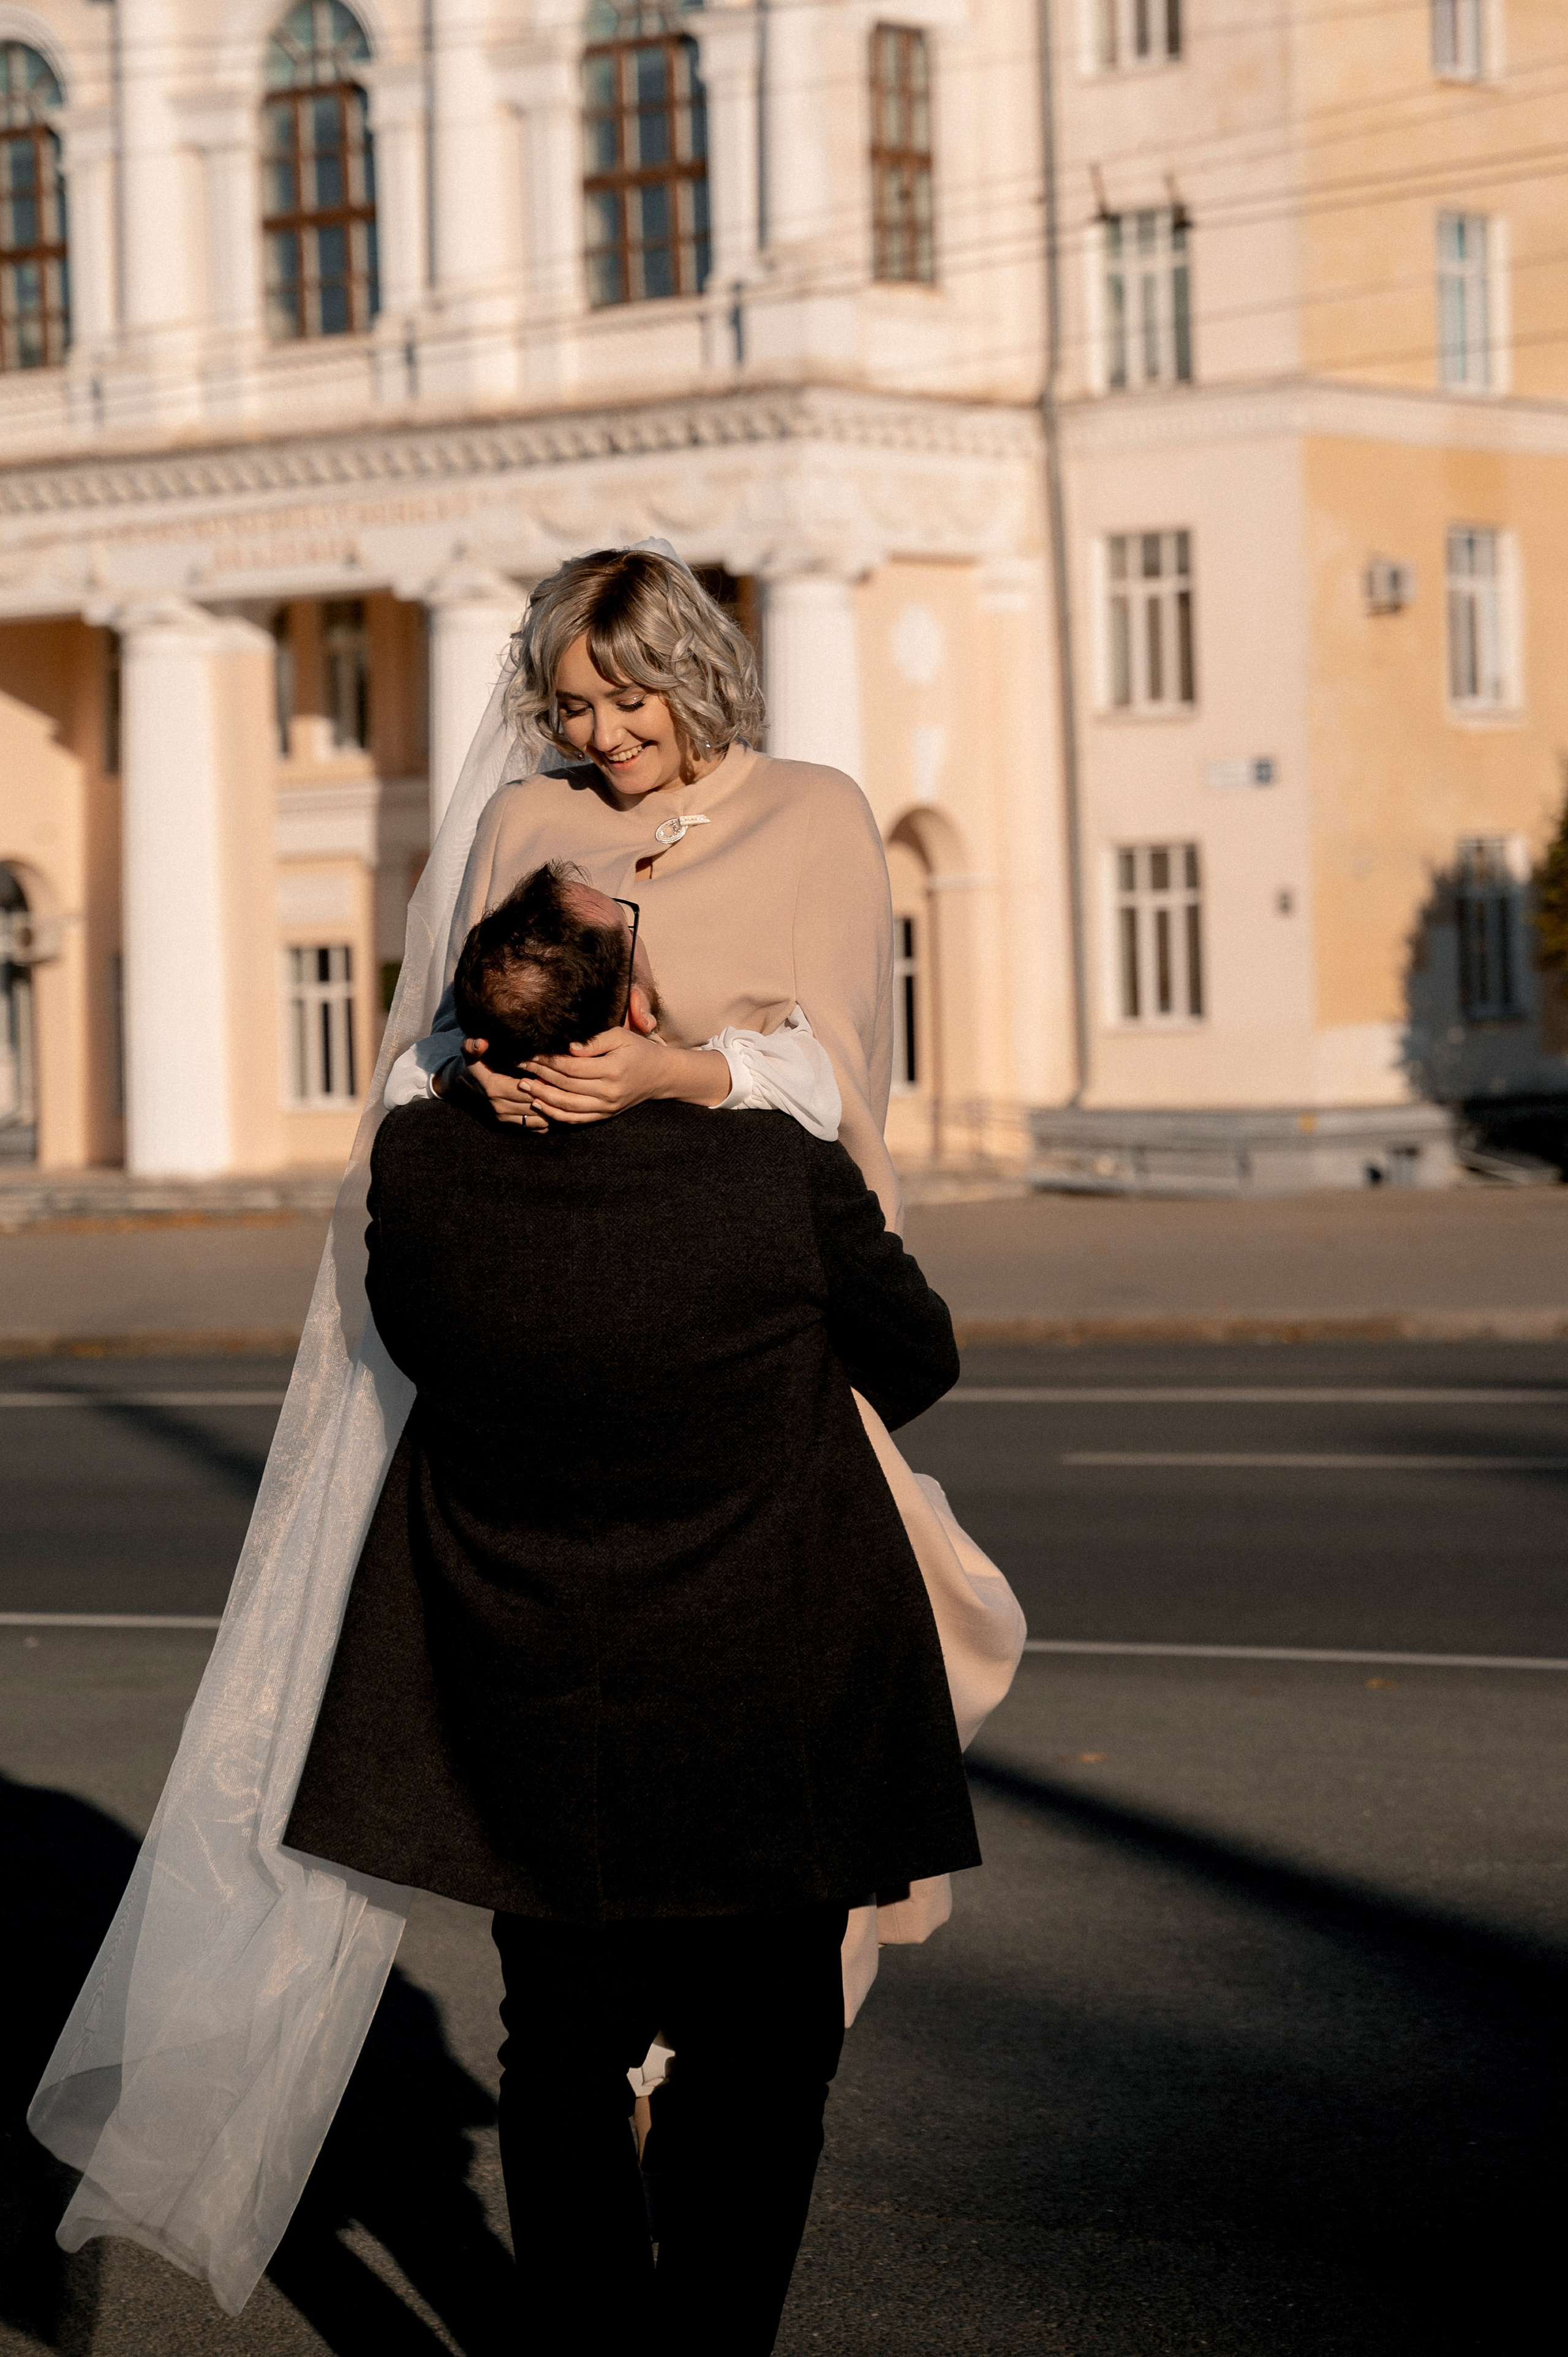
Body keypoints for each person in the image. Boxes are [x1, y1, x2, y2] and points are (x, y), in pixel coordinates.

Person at [29, 541, 1023, 2321]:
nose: (595, 735)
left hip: (737, 1334)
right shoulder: (520, 828)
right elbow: (437, 1044)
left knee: (647, 1965)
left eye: (621, 698)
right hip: (592, 1352)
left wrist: (676, 1074)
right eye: (564, 708)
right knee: (662, 1984)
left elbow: (844, 1075)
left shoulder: (813, 814)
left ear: (693, 670)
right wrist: (495, 1090)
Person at [284, 866, 981, 2350]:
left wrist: (483, 1076)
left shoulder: (417, 1171)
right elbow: (915, 1358)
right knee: (764, 2052)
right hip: (764, 1691)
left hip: (527, 1692)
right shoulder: (769, 1173)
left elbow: (406, 1331)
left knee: (560, 2050)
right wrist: (715, 1091)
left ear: (482, 1036)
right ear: (640, 1013)